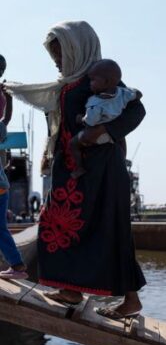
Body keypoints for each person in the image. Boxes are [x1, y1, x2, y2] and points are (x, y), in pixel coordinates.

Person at [4, 21, 146, 317]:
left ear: (76, 49)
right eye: (54, 55)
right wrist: (49, 152)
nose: (57, 61)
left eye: (60, 53)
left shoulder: (101, 76)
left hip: (103, 170)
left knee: (111, 230)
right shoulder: (67, 83)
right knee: (57, 224)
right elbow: (57, 121)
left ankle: (130, 299)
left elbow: (137, 110)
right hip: (71, 170)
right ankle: (70, 289)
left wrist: (104, 130)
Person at [69, 59, 141, 179]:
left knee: (74, 144)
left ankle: (79, 167)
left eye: (93, 80)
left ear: (106, 81)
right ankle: (122, 162)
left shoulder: (95, 102)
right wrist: (136, 94)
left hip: (93, 136)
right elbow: (137, 94)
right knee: (121, 139)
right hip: (113, 135)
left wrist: (80, 119)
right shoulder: (122, 93)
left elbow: (90, 121)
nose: (90, 83)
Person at [0, 55, 28, 280]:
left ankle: (18, 267)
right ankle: (17, 266)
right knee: (0, 229)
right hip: (2, 187)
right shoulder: (0, 128)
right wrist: (8, 99)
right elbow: (6, 119)